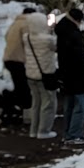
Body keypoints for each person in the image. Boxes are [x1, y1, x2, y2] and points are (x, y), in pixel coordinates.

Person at [55, 7, 84, 145]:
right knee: (82, 106)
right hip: (77, 76)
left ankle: (68, 133)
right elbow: (79, 57)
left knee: (70, 105)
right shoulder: (73, 34)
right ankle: (74, 134)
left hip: (67, 75)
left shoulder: (62, 31)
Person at [23, 9, 59, 140]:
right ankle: (43, 131)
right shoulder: (48, 40)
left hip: (31, 75)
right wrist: (51, 29)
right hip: (45, 75)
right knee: (47, 104)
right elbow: (56, 47)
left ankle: (33, 130)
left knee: (36, 103)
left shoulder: (26, 37)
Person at [1, 6, 37, 125]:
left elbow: (6, 37)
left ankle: (5, 110)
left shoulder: (15, 23)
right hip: (18, 60)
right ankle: (27, 117)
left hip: (9, 59)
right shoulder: (27, 24)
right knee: (23, 88)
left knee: (20, 87)